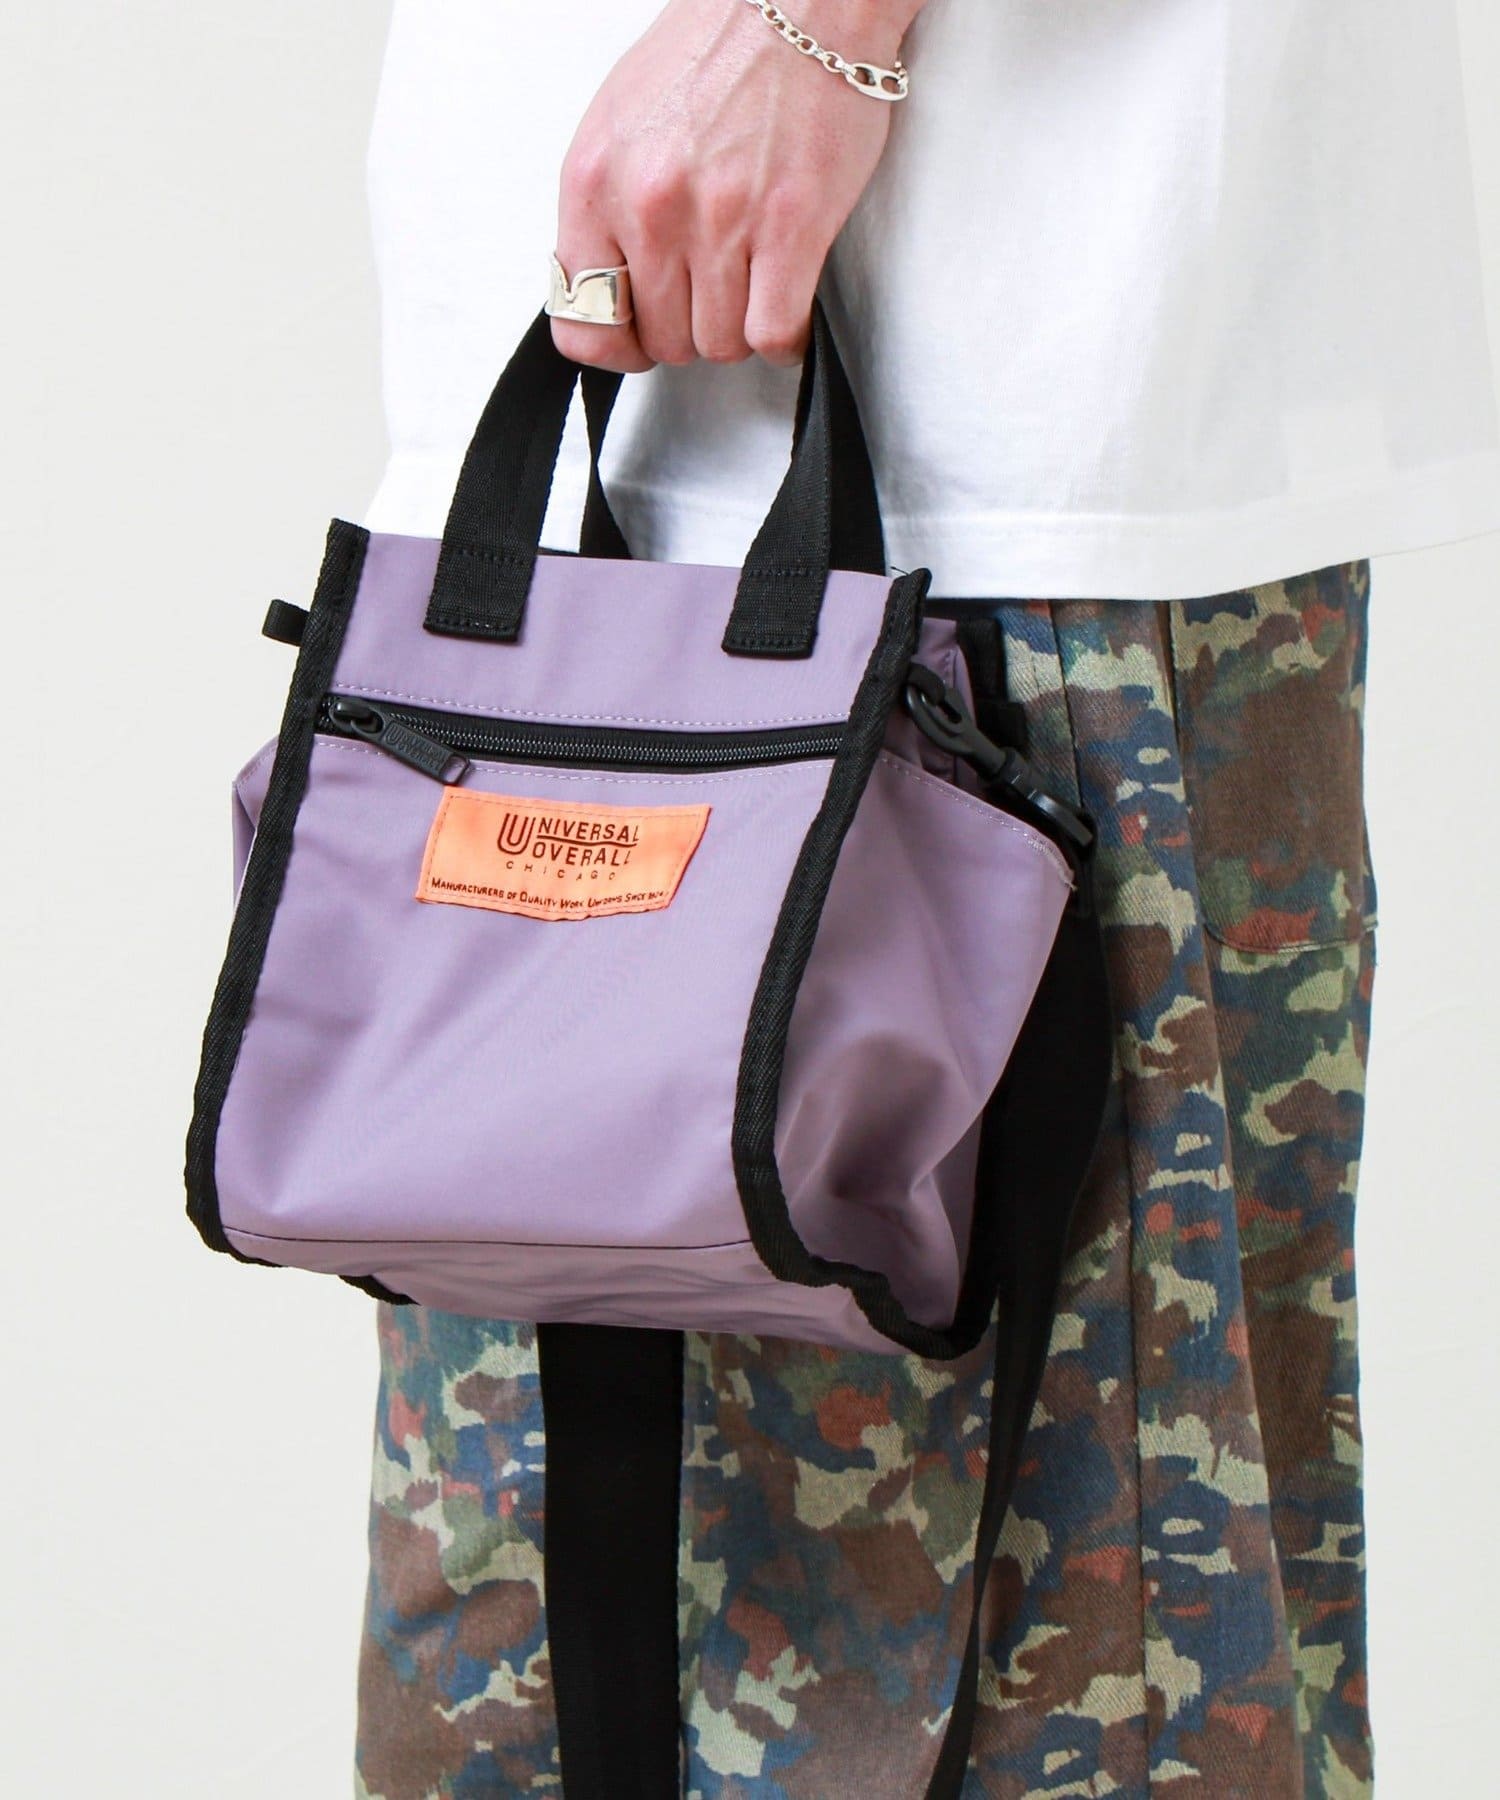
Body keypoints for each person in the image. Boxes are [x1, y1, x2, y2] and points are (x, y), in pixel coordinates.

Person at [352, 2, 1500, 1795]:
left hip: (1018, 394)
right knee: (527, 1632)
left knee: (1063, 1662)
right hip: (582, 428)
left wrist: (807, 31)